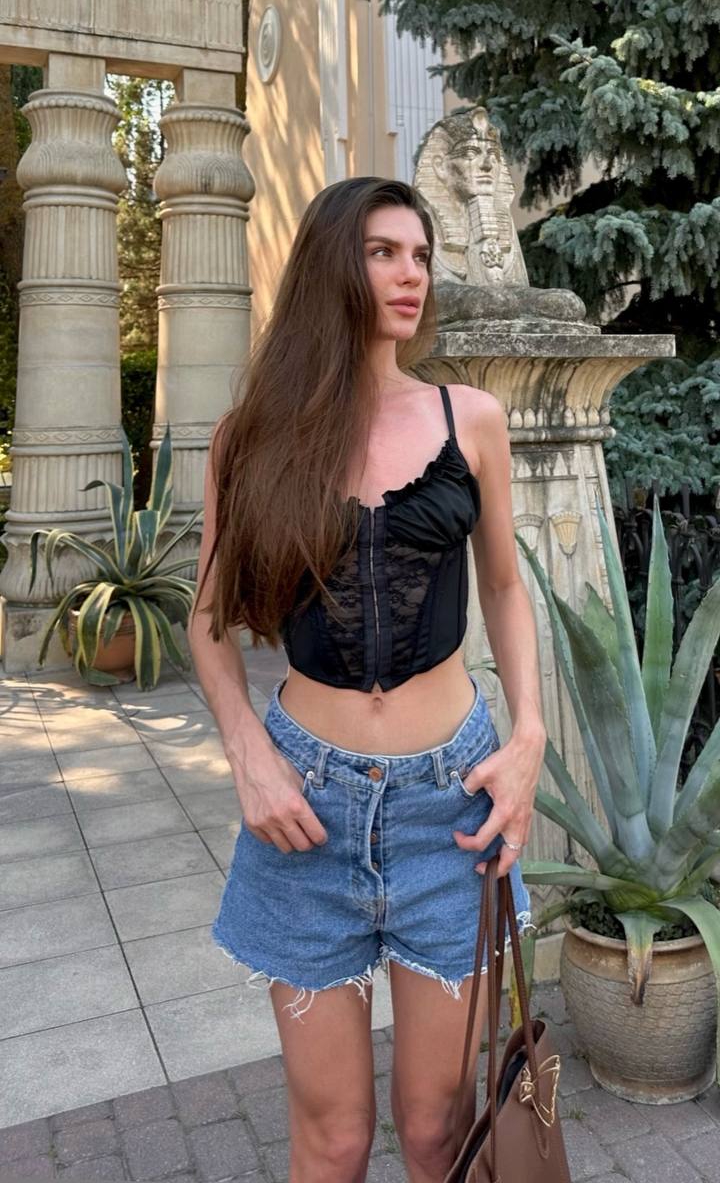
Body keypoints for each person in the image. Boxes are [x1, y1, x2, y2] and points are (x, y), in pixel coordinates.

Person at [189, 177, 546, 1183]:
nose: (411, 274)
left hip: (452, 808)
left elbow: (505, 587)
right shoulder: (251, 436)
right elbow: (209, 619)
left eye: (420, 255)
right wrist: (247, 752)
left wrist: (528, 739)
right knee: (334, 1139)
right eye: (384, 251)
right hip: (305, 812)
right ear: (329, 265)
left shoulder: (470, 418)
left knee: (437, 1132)